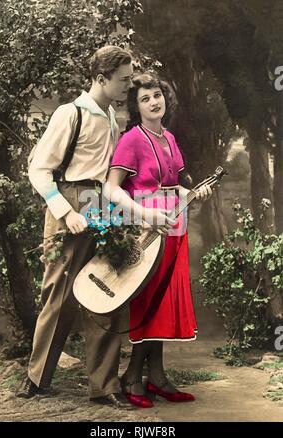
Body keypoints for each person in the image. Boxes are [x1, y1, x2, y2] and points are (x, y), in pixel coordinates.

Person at [16, 46, 134, 409]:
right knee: (61, 294)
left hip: (102, 205)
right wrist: (65, 212)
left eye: (130, 79)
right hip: (70, 199)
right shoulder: (71, 113)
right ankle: (37, 378)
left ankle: (104, 385)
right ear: (101, 78)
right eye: (123, 79)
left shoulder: (113, 118)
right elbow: (38, 169)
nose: (128, 86)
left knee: (106, 291)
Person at [104, 72, 212, 408]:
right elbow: (111, 188)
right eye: (145, 98)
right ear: (136, 108)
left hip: (174, 227)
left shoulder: (169, 138)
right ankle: (133, 377)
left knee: (165, 303)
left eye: (157, 95)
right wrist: (144, 213)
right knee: (149, 303)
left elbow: (173, 186)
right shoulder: (132, 140)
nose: (154, 102)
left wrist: (195, 192)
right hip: (147, 229)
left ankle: (158, 377)